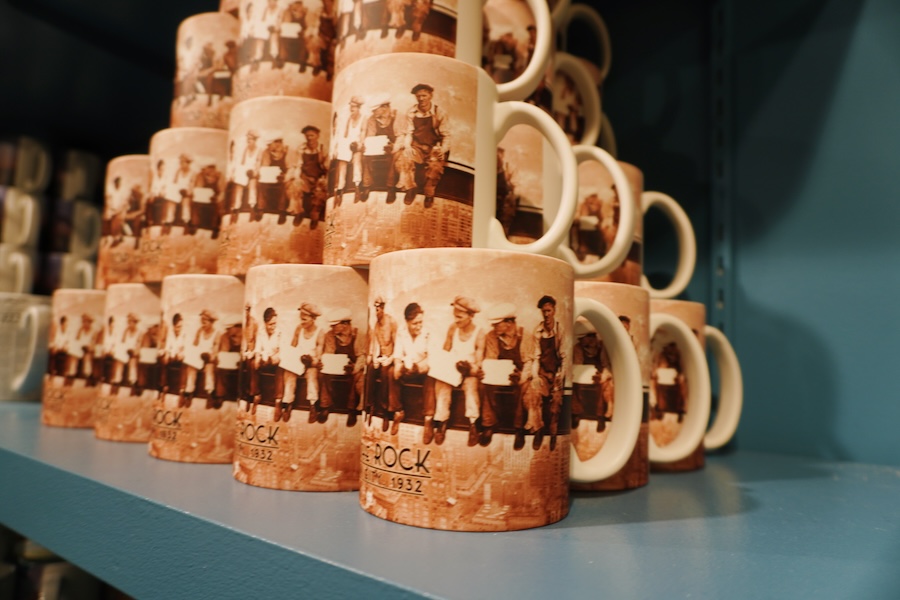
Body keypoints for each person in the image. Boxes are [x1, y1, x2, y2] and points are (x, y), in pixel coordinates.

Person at [480, 303, 536, 449]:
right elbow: (491, 359)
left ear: (509, 322)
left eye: (497, 324)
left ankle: (519, 428)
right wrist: (489, 373)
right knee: (486, 385)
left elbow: (528, 362)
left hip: (519, 374)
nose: (493, 327)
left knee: (523, 388)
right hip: (500, 373)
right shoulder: (491, 336)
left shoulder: (525, 335)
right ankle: (489, 424)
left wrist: (521, 378)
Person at [431, 296, 484, 447]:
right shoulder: (453, 328)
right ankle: (442, 422)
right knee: (441, 383)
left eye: (459, 317)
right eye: (455, 316)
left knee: (471, 386)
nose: (456, 320)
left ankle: (473, 424)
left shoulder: (479, 333)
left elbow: (479, 363)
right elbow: (445, 351)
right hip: (452, 370)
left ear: (470, 316)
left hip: (468, 372)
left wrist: (469, 369)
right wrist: (443, 366)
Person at [393, 83, 449, 206]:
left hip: (434, 148)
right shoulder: (411, 112)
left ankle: (429, 194)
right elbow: (409, 132)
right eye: (418, 96)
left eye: (424, 95)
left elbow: (446, 136)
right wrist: (408, 146)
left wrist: (443, 149)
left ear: (430, 96)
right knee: (403, 159)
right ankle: (410, 188)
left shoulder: (439, 112)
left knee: (435, 167)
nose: (421, 99)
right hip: (417, 147)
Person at [390, 302, 433, 436]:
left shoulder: (427, 332)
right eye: (415, 323)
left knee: (432, 376)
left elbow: (431, 357)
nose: (419, 326)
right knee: (391, 373)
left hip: (422, 369)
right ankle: (398, 412)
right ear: (407, 322)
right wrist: (398, 366)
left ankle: (428, 419)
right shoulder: (401, 332)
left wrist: (419, 367)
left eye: (420, 322)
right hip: (407, 368)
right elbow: (397, 354)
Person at [319, 308, 366, 426]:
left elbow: (361, 356)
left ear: (345, 324)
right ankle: (325, 406)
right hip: (336, 365)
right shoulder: (330, 335)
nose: (332, 328)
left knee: (357, 377)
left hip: (352, 366)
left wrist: (354, 368)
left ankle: (352, 410)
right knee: (324, 374)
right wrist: (326, 364)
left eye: (335, 325)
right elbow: (329, 353)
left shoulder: (358, 334)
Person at [531, 295, 566, 450]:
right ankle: (539, 430)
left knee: (556, 403)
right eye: (543, 311)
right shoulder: (537, 332)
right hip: (543, 373)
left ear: (554, 311)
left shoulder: (560, 330)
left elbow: (564, 356)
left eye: (549, 311)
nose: (546, 314)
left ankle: (553, 435)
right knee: (536, 397)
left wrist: (560, 375)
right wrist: (535, 376)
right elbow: (536, 357)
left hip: (557, 373)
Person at [283, 302, 324, 423]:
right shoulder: (299, 329)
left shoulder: (320, 332)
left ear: (313, 318)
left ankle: (313, 405)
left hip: (311, 363)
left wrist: (311, 361)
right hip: (298, 361)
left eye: (305, 319)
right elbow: (293, 347)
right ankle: (288, 403)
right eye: (301, 319)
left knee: (312, 376)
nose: (302, 322)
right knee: (289, 374)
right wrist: (291, 359)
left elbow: (319, 355)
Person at [571, 320, 613, 432]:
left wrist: (603, 375)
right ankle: (576, 413)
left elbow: (606, 365)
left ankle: (600, 416)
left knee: (602, 386)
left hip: (599, 374)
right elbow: (577, 365)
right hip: (584, 375)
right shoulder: (578, 348)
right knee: (573, 385)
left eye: (584, 339)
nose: (582, 342)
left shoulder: (602, 346)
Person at [358, 95, 398, 202]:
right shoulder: (372, 119)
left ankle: (391, 187)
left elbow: (401, 137)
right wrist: (367, 145)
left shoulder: (396, 116)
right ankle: (367, 185)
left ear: (384, 107)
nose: (373, 112)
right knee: (365, 156)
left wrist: (393, 146)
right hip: (378, 146)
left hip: (393, 146)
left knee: (393, 157)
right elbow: (370, 136)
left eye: (375, 109)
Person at [366, 296, 397, 424]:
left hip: (391, 358)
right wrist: (375, 359)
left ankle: (385, 411)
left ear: (383, 308)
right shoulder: (376, 325)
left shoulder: (392, 322)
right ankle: (370, 405)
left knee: (385, 373)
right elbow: (375, 344)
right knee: (370, 369)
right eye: (375, 309)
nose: (376, 312)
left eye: (378, 309)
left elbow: (398, 345)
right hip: (381, 357)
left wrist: (390, 358)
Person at [251, 307, 285, 419]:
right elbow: (258, 349)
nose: (273, 326)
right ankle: (257, 395)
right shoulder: (261, 333)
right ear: (265, 323)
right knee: (253, 364)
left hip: (275, 361)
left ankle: (278, 402)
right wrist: (258, 358)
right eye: (270, 324)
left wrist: (274, 357)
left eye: (275, 323)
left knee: (281, 367)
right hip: (265, 361)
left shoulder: (279, 333)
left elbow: (282, 351)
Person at [293, 125, 328, 227]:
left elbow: (327, 166)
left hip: (319, 177)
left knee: (320, 191)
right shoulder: (301, 149)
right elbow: (298, 165)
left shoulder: (322, 149)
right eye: (307, 136)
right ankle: (298, 213)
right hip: (305, 177)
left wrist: (324, 178)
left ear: (317, 136)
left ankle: (314, 217)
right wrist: (297, 177)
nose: (309, 138)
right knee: (295, 186)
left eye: (312, 135)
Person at [332, 96, 364, 203]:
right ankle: (340, 189)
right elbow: (345, 136)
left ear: (359, 108)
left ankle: (357, 187)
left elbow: (363, 135)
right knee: (342, 160)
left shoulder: (363, 118)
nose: (352, 109)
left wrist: (358, 144)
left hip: (358, 145)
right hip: (348, 145)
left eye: (354, 107)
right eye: (351, 107)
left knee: (357, 159)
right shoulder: (349, 119)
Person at [255, 137, 289, 222]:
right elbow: (265, 166)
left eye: (270, 144)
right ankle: (260, 209)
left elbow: (290, 168)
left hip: (283, 177)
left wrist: (284, 175)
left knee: (284, 185)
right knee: (261, 183)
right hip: (270, 176)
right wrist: (264, 174)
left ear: (278, 143)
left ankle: (282, 211)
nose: (269, 146)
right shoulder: (267, 152)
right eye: (268, 144)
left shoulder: (286, 151)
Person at [652, 341, 687, 422]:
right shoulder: (677, 376)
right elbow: (683, 394)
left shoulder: (660, 373)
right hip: (671, 410)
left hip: (664, 409)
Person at [190, 163, 224, 237]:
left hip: (214, 199)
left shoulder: (219, 176)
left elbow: (222, 192)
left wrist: (217, 198)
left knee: (218, 206)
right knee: (195, 204)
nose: (209, 177)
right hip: (203, 199)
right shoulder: (200, 175)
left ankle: (215, 228)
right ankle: (194, 225)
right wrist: (198, 195)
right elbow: (198, 189)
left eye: (211, 170)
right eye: (207, 174)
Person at [233, 129, 262, 216]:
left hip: (253, 173)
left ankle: (252, 206)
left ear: (255, 140)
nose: (248, 141)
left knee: (252, 184)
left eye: (250, 139)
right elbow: (242, 163)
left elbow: (258, 164)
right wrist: (239, 172)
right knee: (239, 185)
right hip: (245, 172)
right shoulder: (245, 149)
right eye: (248, 139)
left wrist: (254, 172)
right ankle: (237, 207)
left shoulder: (259, 150)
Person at [159, 313, 186, 401]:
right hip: (172, 356)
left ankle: (182, 390)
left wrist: (180, 354)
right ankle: (164, 386)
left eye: (181, 326)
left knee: (184, 364)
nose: (179, 329)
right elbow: (168, 347)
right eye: (177, 327)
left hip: (180, 357)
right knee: (164, 361)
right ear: (174, 326)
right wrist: (167, 354)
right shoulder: (170, 333)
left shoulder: (184, 334)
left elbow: (186, 348)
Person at [276, 1, 309, 71]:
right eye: (294, 4)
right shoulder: (287, 11)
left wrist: (303, 31)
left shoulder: (305, 11)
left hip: (300, 33)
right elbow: (285, 24)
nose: (295, 5)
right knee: (282, 37)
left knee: (303, 39)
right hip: (290, 33)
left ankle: (302, 62)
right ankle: (282, 58)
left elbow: (307, 26)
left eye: (297, 4)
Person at [242, 304, 259, 411]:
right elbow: (243, 340)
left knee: (251, 365)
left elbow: (257, 340)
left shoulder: (254, 323)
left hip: (253, 351)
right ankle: (243, 394)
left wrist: (252, 352)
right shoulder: (244, 323)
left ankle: (251, 395)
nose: (246, 313)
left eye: (248, 310)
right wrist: (243, 352)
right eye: (245, 310)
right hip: (245, 351)